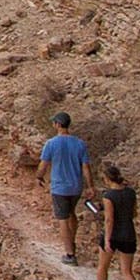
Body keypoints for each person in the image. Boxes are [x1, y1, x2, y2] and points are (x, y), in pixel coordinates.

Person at [39, 112, 92, 265]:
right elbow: (86, 167)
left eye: (53, 123)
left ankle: (70, 254)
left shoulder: (51, 143)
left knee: (62, 219)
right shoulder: (79, 143)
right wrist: (90, 186)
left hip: (60, 187)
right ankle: (72, 240)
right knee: (71, 214)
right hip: (76, 187)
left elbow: (43, 164)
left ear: (57, 124)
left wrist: (38, 177)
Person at [91, 163, 140, 280]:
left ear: (107, 179)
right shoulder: (131, 193)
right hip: (128, 234)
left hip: (113, 235)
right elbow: (134, 213)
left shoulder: (108, 196)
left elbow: (109, 220)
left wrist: (107, 240)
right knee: (127, 271)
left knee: (103, 266)